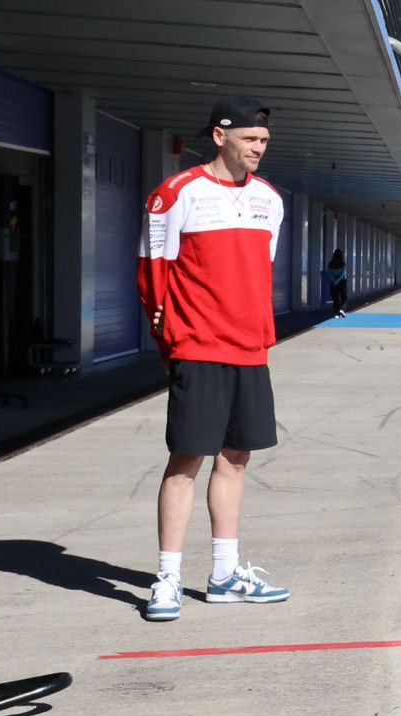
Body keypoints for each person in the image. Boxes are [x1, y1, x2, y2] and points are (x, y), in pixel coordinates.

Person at [136, 96, 292, 622]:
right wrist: (168, 343)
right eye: (251, 139)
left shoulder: (270, 200)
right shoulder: (176, 194)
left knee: (236, 458)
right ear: (220, 136)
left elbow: (257, 274)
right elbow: (153, 273)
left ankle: (224, 575)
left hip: (250, 348)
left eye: (265, 142)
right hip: (198, 346)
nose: (259, 149)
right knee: (186, 460)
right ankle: (167, 578)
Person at [326, 249, 348, 317]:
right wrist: (338, 280)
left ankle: (336, 313)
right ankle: (342, 309)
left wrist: (334, 281)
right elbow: (343, 274)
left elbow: (329, 273)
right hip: (342, 282)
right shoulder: (343, 264)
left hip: (333, 283)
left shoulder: (330, 264)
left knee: (335, 298)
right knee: (344, 297)